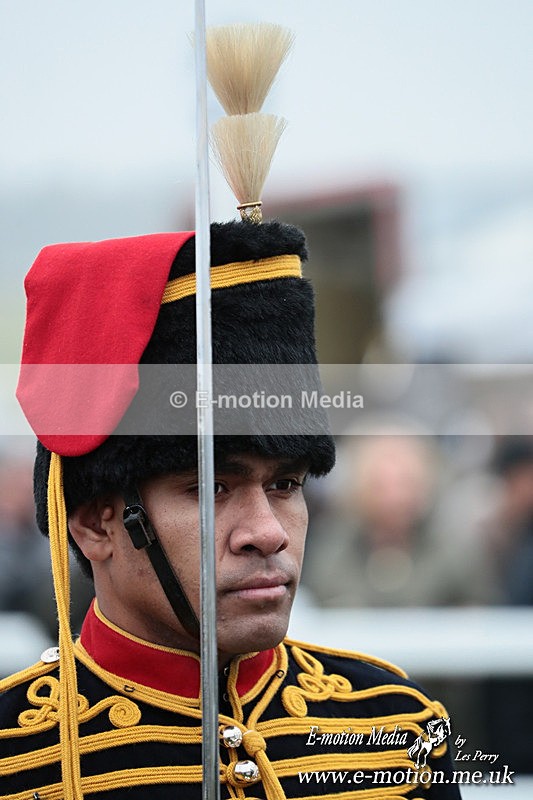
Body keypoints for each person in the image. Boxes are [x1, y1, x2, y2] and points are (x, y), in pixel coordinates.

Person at [0, 23, 460, 799]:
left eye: (284, 483)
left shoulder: (399, 731)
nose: (268, 530)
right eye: (211, 486)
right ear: (95, 522)